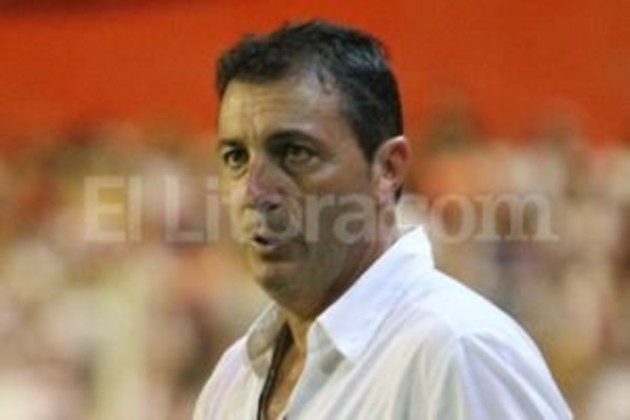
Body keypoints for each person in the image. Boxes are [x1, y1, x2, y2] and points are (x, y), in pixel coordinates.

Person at [194, 19, 572, 420]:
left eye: (295, 152)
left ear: (388, 169)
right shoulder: (232, 381)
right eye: (236, 157)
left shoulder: (459, 352)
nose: (253, 192)